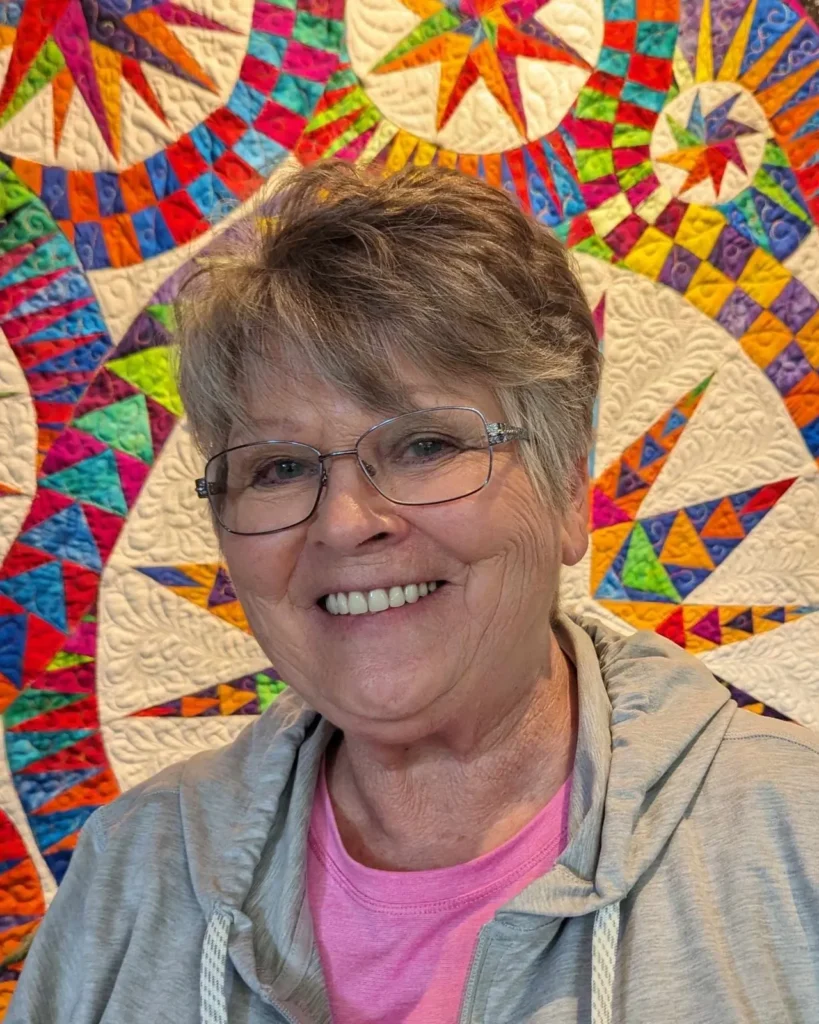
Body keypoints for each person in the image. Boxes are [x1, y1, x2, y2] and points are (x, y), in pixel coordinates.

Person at [7, 160, 819, 1024]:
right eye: (279, 468)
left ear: (568, 490)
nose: (346, 522)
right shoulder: (135, 869)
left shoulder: (793, 835)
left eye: (425, 445)